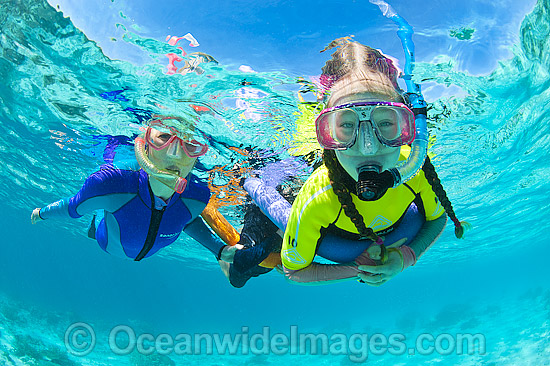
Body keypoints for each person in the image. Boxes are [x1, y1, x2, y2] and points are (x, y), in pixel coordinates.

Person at [278, 40, 468, 285]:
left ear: (408, 127)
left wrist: (406, 257)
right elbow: (293, 271)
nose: (368, 147)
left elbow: (437, 218)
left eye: (386, 123)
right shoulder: (316, 200)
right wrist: (358, 269)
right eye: (346, 125)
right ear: (326, 134)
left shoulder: (414, 171)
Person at [31, 115, 240, 263]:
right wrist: (42, 213)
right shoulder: (110, 185)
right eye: (165, 137)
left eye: (191, 143)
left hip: (143, 253)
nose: (177, 154)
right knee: (97, 219)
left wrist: (220, 250)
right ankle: (96, 222)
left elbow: (187, 219)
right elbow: (73, 207)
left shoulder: (198, 196)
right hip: (105, 243)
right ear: (144, 145)